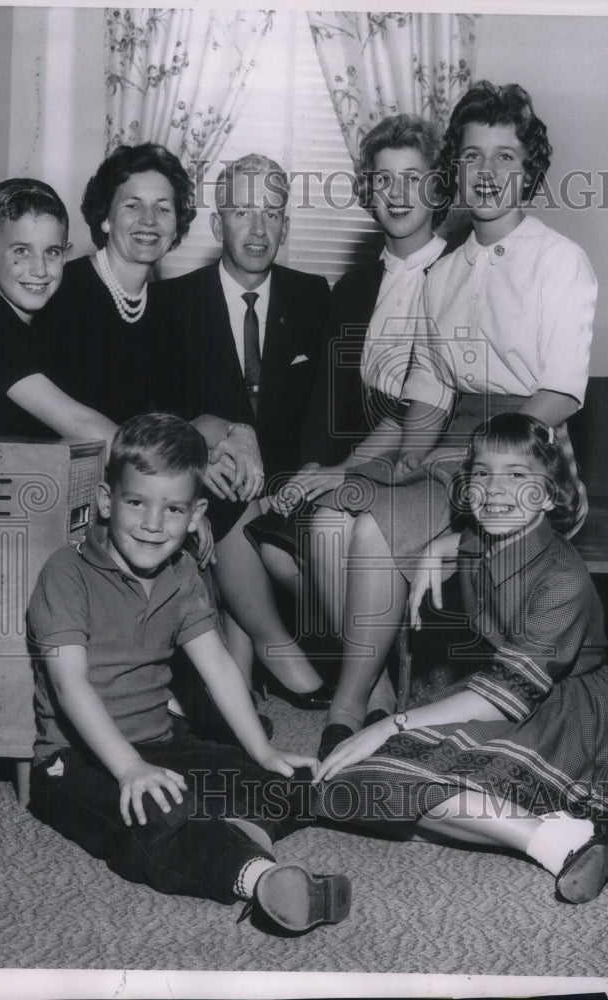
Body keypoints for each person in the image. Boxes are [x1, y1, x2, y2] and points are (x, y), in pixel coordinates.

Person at [309, 81, 598, 761]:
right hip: (447, 448)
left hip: (528, 453)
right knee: (334, 517)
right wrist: (401, 460)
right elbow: (433, 389)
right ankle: (373, 687)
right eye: (473, 157)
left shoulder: (561, 263)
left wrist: (473, 462)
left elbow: (562, 391)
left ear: (529, 168)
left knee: (377, 527)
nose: (489, 174)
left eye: (505, 157)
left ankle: (346, 711)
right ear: (455, 171)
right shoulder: (443, 273)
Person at [313, 413, 608, 906]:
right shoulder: (489, 536)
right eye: (481, 473)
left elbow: (508, 698)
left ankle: (557, 843)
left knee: (391, 773)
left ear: (551, 491)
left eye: (517, 475)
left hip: (570, 715)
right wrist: (437, 547)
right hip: (495, 690)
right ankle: (575, 834)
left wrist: (391, 726)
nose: (494, 489)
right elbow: (471, 539)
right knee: (351, 789)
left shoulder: (565, 580)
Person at [27, 413, 351, 932]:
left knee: (289, 782)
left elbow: (218, 664)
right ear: (107, 502)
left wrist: (262, 752)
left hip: (159, 739)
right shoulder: (66, 574)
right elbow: (70, 685)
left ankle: (239, 828)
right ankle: (260, 878)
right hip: (76, 761)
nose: (154, 523)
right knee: (157, 818)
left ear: (195, 512)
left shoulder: (182, 574)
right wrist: (130, 768)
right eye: (137, 503)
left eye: (173, 509)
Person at [249, 114, 456, 735]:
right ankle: (378, 683)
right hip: (367, 452)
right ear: (367, 190)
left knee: (339, 522)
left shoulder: (457, 274)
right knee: (281, 534)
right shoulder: (356, 284)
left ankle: (352, 696)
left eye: (413, 178)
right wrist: (311, 469)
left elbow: (421, 412)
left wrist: (342, 474)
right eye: (382, 179)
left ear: (439, 189)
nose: (396, 194)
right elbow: (328, 398)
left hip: (432, 454)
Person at [159, 153, 333, 707]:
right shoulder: (174, 301)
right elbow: (161, 413)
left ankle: (235, 690)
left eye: (273, 213)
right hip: (208, 468)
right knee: (230, 483)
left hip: (288, 475)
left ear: (285, 224)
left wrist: (305, 471)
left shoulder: (312, 295)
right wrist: (214, 448)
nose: (258, 229)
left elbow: (322, 407)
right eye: (241, 212)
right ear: (217, 224)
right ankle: (275, 650)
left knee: (252, 495)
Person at [0, 178, 117, 444]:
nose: (39, 270)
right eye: (22, 251)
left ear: (66, 255)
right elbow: (82, 425)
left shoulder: (38, 328)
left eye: (51, 252)